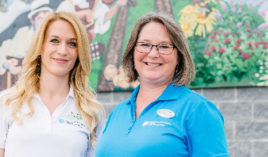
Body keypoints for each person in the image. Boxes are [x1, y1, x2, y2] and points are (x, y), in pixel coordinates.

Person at [95, 12, 229, 156]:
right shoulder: (118, 112)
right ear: (133, 52)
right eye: (145, 45)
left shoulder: (198, 109)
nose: (153, 54)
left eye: (164, 47)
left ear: (179, 56)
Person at [0, 11, 105, 157]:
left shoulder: (92, 111)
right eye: (54, 40)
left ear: (79, 53)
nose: (62, 51)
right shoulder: (7, 103)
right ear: (40, 46)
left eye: (72, 43)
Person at [0, 0, 53, 90]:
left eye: (47, 19)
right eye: (40, 18)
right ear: (32, 21)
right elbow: (1, 51)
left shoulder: (56, 37)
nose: (44, 23)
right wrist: (7, 64)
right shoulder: (23, 34)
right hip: (22, 89)